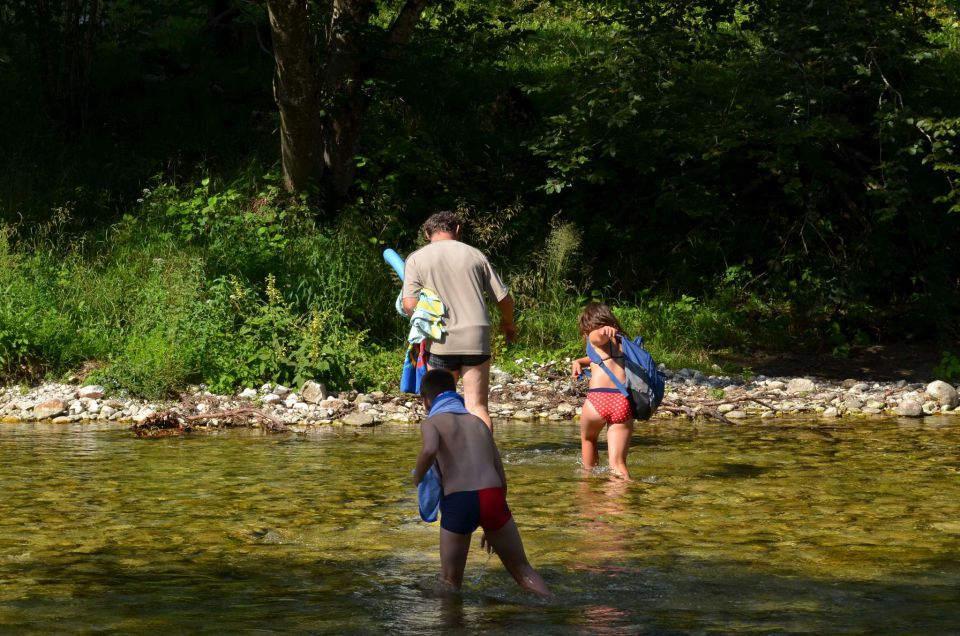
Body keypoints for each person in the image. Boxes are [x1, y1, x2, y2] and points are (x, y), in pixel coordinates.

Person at [413, 369, 550, 596]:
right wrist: (493, 524)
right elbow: (500, 474)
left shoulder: (433, 423)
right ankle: (552, 609)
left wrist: (417, 476)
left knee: (449, 582)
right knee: (523, 570)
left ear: (425, 400)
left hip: (460, 500)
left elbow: (429, 449)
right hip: (493, 497)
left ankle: (452, 629)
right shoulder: (478, 423)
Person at [402, 211, 515, 430]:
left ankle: (447, 459)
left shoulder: (416, 259)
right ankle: (484, 459)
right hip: (476, 336)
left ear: (427, 233)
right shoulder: (475, 255)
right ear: (457, 230)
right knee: (477, 406)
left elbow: (409, 305)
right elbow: (503, 299)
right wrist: (508, 323)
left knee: (441, 405)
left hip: (442, 340)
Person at [570, 303, 635, 480]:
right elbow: (601, 357)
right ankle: (621, 503)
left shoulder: (596, 335)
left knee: (588, 439)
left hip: (597, 400)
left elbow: (597, 337)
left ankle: (589, 489)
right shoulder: (623, 342)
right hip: (621, 402)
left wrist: (601, 330)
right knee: (618, 464)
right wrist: (579, 361)